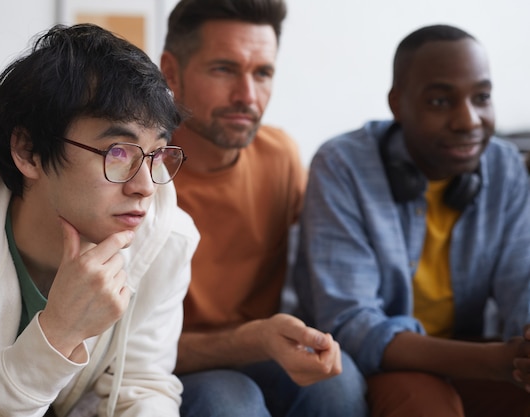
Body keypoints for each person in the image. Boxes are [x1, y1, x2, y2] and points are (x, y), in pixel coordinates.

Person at [0, 24, 199, 417]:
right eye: (117, 152)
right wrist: (58, 333)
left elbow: (141, 388)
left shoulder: (167, 238)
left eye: (157, 154)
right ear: (28, 151)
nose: (146, 187)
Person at [291, 24, 530, 416]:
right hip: (383, 363)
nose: (468, 120)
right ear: (398, 104)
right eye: (440, 101)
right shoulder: (342, 166)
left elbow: (523, 281)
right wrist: (497, 361)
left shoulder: (504, 166)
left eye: (482, 97)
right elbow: (353, 326)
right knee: (421, 405)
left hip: (477, 347)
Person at [159, 1, 368, 416]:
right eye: (224, 69)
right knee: (230, 400)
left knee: (339, 384)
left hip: (263, 348)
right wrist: (251, 340)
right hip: (166, 361)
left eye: (263, 73)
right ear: (171, 73)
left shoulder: (281, 156)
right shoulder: (133, 172)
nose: (247, 97)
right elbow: (119, 347)